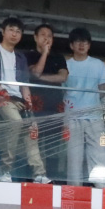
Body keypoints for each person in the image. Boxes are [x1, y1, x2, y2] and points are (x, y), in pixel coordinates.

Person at [0, 17, 49, 183]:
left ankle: (39, 173)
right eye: (11, 30)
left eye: (18, 31)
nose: (14, 34)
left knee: (31, 128)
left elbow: (24, 84)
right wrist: (5, 94)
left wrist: (29, 106)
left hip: (17, 99)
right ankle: (5, 168)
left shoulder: (20, 57)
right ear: (3, 31)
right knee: (16, 122)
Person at [63, 27, 105, 185]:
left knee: (99, 153)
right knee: (73, 156)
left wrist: (93, 101)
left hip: (94, 116)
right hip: (72, 116)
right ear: (71, 45)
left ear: (89, 45)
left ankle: (102, 187)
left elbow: (103, 87)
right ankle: (74, 190)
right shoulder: (65, 65)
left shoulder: (98, 64)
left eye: (85, 42)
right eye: (78, 42)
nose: (81, 45)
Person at [26, 23, 68, 171]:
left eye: (49, 36)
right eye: (43, 35)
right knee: (33, 141)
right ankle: (34, 175)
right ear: (35, 37)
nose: (46, 38)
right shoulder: (29, 55)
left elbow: (62, 77)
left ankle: (52, 175)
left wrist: (41, 78)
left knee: (53, 143)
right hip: (36, 105)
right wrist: (44, 53)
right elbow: (35, 72)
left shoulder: (58, 57)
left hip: (55, 105)